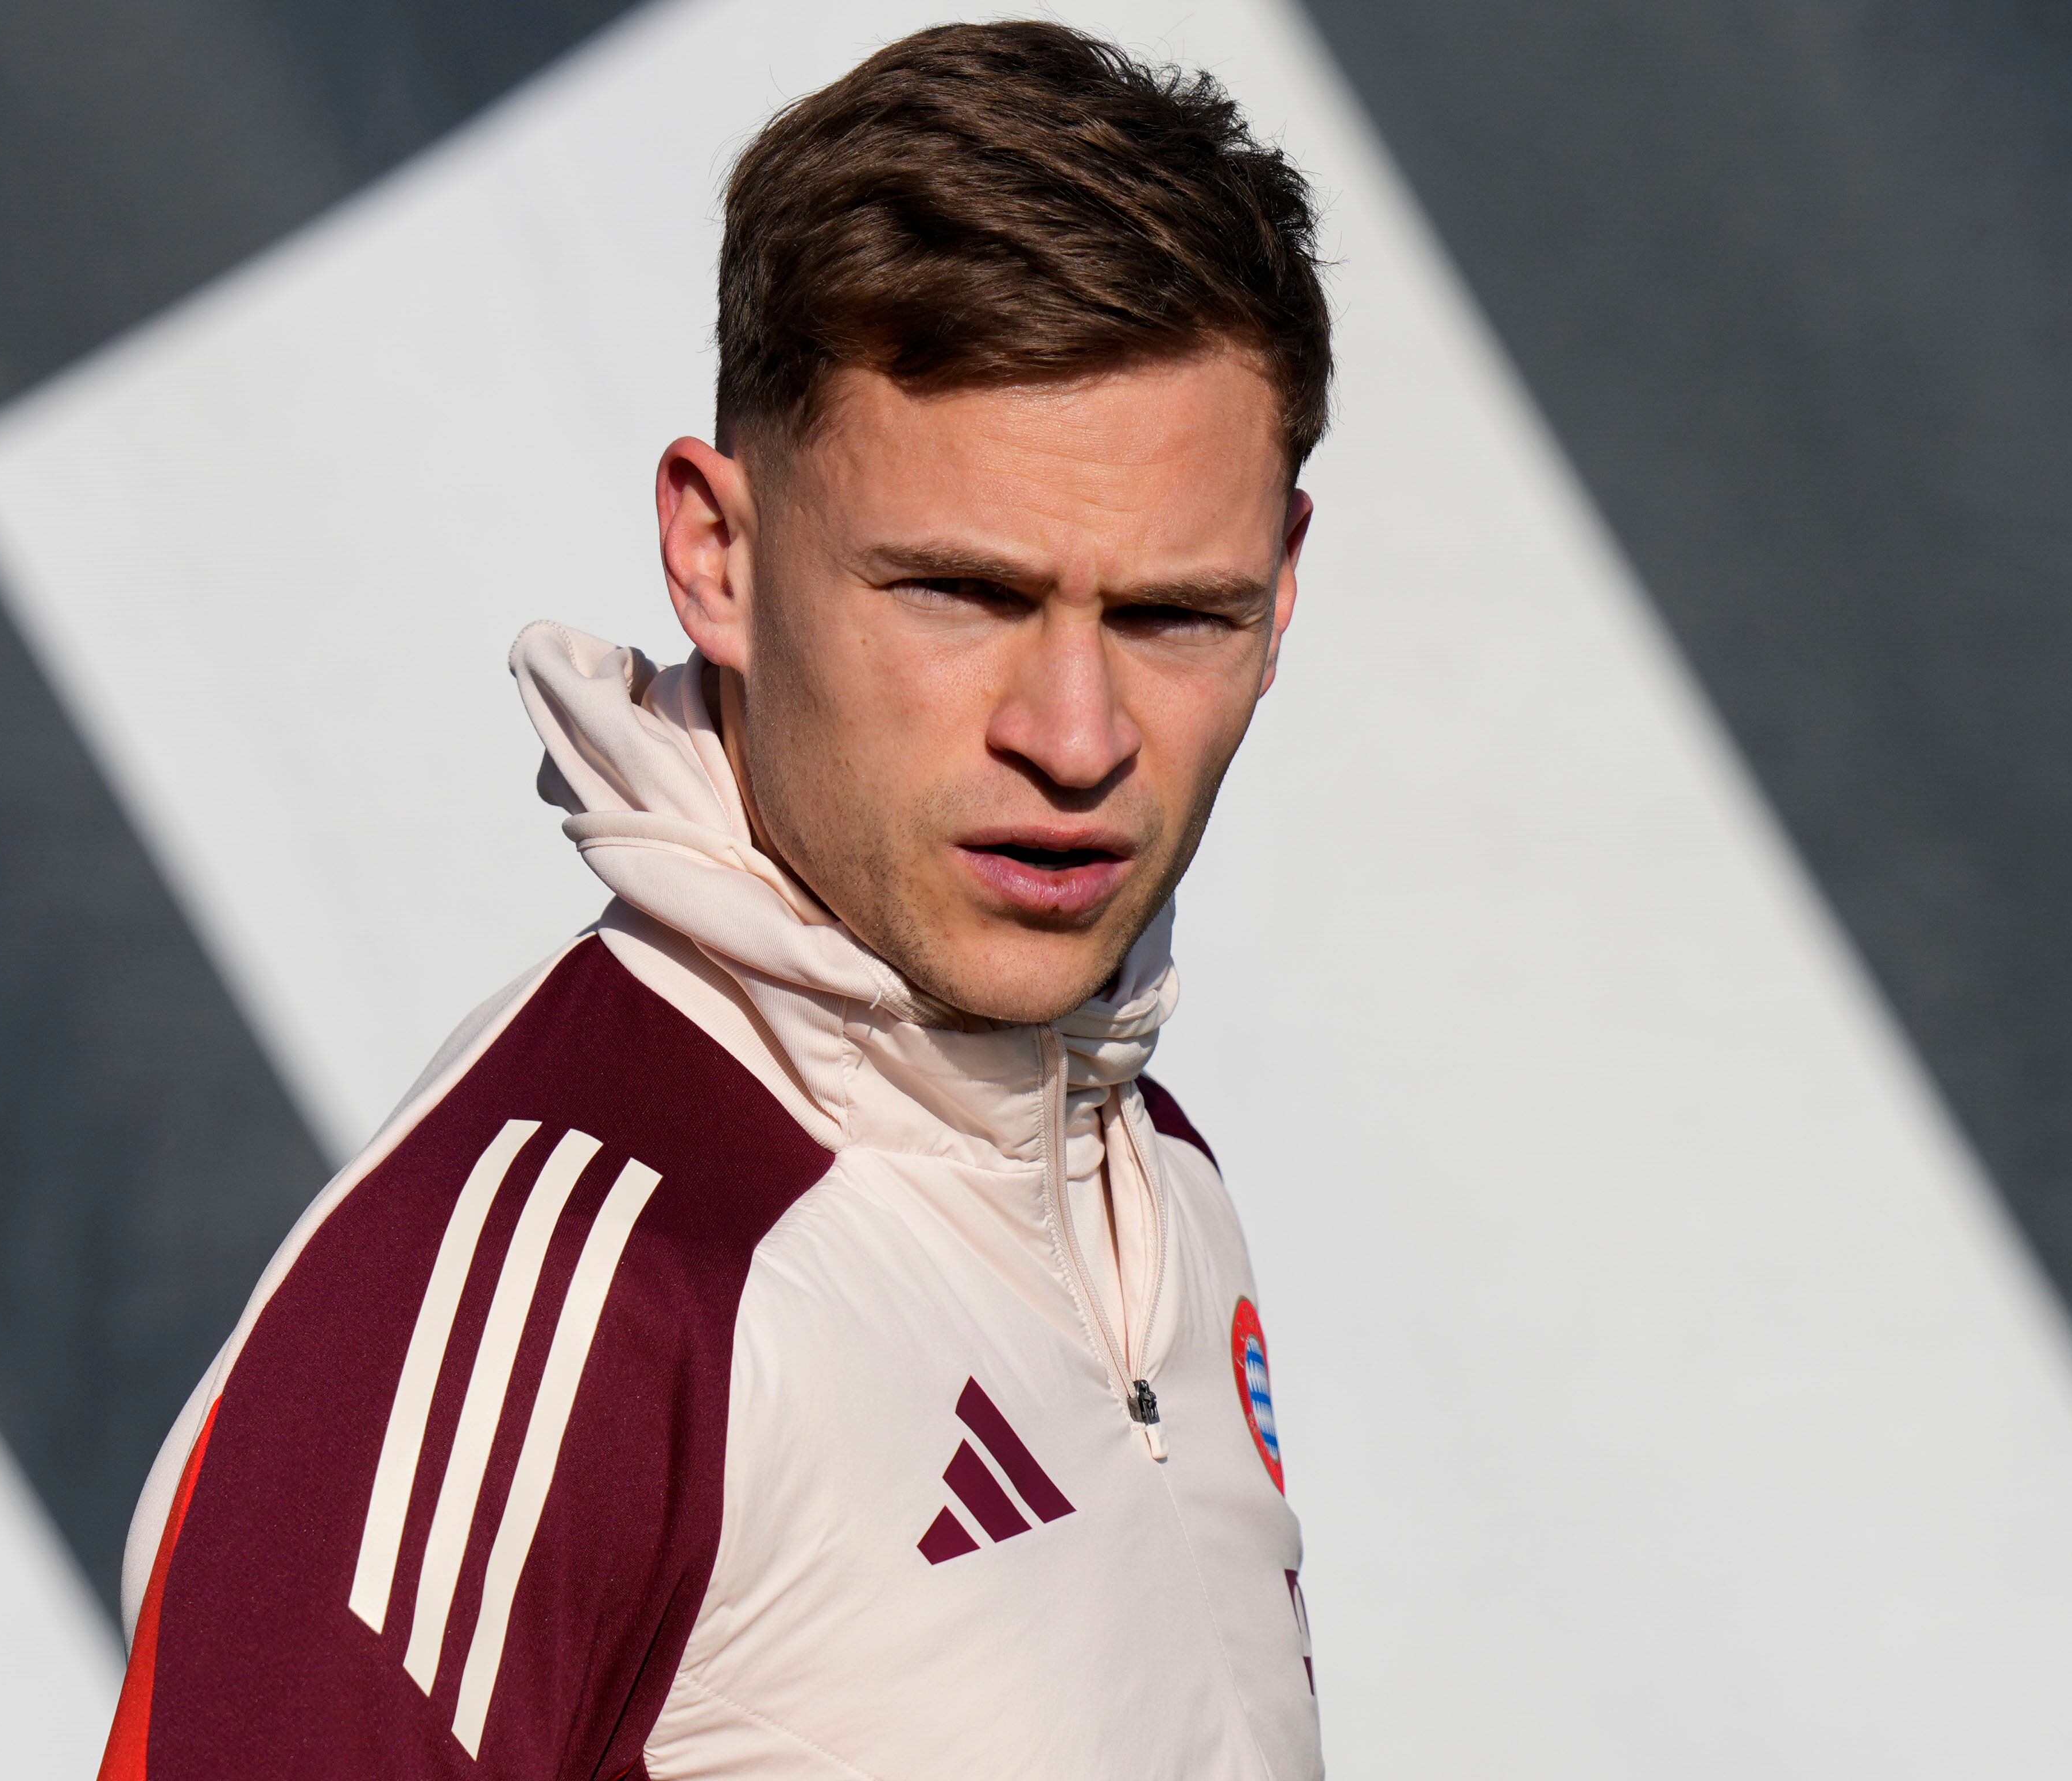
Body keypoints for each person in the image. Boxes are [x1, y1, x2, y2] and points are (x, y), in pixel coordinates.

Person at [99, 20, 1330, 1779]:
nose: (1075, 738)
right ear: (716, 555)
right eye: (960, 595)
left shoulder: (1148, 1176)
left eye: (1172, 616)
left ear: (1281, 589)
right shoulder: (562, 1289)